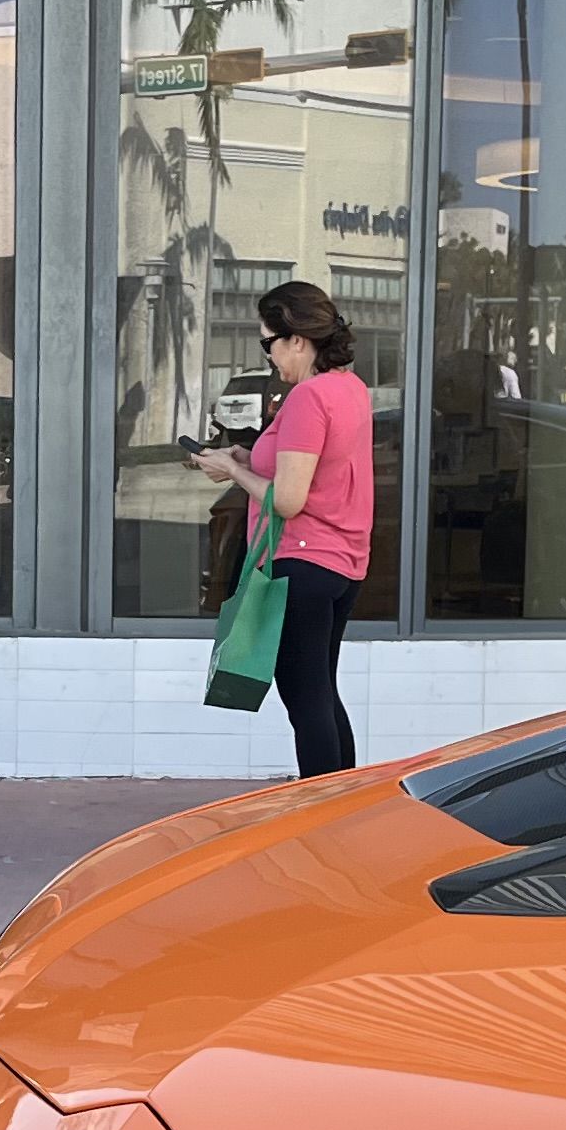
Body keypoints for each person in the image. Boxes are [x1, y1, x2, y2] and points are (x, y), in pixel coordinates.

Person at [192, 279, 374, 780]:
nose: (268, 356)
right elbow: (313, 466)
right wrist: (246, 456)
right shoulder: (349, 389)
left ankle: (322, 807)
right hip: (341, 564)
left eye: (268, 343)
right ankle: (343, 800)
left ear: (297, 339)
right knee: (322, 691)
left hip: (303, 561)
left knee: (305, 697)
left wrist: (232, 471)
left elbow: (289, 500)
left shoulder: (307, 398)